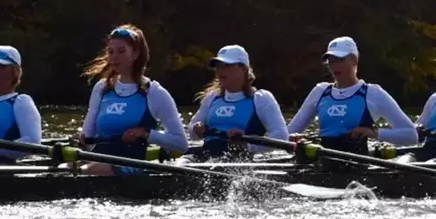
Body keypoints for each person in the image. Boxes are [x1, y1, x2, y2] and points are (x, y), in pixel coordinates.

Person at [78, 25, 189, 175]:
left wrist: (145, 133)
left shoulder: (155, 92)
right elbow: (88, 137)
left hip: (132, 166)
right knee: (63, 169)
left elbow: (180, 144)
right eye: (111, 52)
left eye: (121, 51)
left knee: (86, 170)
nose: (114, 57)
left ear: (136, 53)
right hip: (98, 162)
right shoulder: (102, 88)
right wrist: (81, 142)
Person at [287, 36, 419, 153]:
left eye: (340, 60)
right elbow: (287, 133)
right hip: (323, 162)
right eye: (331, 61)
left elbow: (411, 136)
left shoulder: (373, 93)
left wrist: (374, 133)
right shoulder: (320, 91)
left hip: (357, 167)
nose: (334, 66)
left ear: (354, 60)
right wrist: (294, 138)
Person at [188, 45, 289, 158]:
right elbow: (192, 133)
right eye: (218, 66)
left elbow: (281, 136)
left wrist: (247, 145)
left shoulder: (261, 99)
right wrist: (196, 128)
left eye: (226, 66)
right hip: (207, 158)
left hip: (239, 163)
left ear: (243, 69)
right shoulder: (211, 98)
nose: (220, 70)